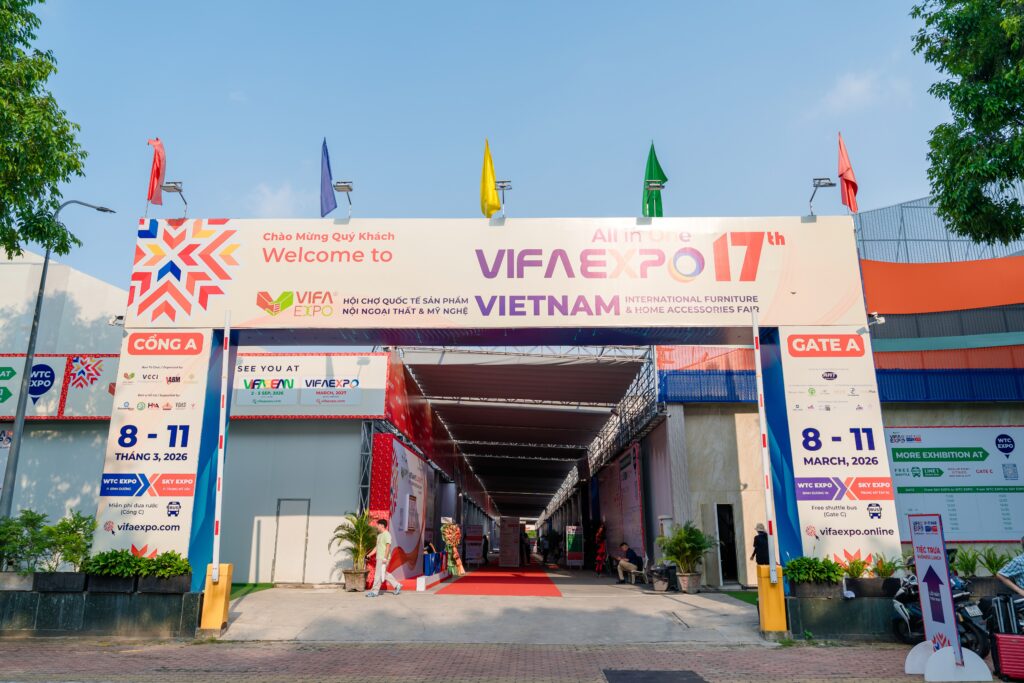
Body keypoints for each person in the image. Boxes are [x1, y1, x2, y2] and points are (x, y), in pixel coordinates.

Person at [366, 518, 401, 598]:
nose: (377, 527)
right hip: (379, 557)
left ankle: (374, 592)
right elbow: (376, 548)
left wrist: (385, 558)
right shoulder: (379, 536)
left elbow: (388, 547)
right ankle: (397, 585)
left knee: (378, 575)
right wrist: (369, 555)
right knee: (383, 574)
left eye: (378, 525)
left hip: (383, 558)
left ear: (382, 525)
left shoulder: (387, 534)